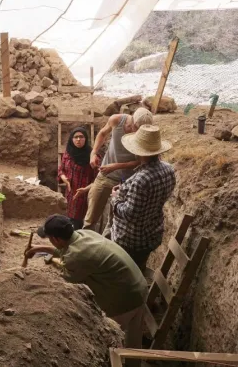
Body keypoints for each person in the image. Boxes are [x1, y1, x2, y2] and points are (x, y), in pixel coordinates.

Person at [26, 215, 147, 367]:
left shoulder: (76, 256)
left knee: (107, 338)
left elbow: (66, 284)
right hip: (139, 287)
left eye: (49, 239)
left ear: (56, 239)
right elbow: (67, 251)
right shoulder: (85, 234)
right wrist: (41, 248)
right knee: (133, 340)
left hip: (124, 299)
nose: (49, 242)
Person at [111, 124, 176, 272]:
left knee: (124, 274)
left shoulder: (141, 179)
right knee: (138, 269)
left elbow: (130, 214)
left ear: (140, 152)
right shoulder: (168, 169)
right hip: (152, 233)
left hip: (131, 240)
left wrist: (115, 199)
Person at [84, 108, 153, 232]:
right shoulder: (116, 120)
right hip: (105, 176)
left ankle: (106, 247)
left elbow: (141, 161)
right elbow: (102, 133)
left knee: (114, 223)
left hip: (126, 182)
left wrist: (117, 166)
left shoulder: (145, 134)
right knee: (90, 218)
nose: (136, 132)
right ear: (132, 120)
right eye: (135, 127)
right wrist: (93, 153)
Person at [58, 127, 99, 229]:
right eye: (75, 137)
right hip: (70, 195)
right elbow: (61, 170)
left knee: (82, 223)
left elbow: (98, 178)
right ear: (72, 139)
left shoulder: (93, 157)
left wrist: (85, 189)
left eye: (81, 137)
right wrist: (64, 179)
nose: (78, 140)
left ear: (86, 139)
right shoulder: (68, 153)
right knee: (71, 219)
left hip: (86, 196)